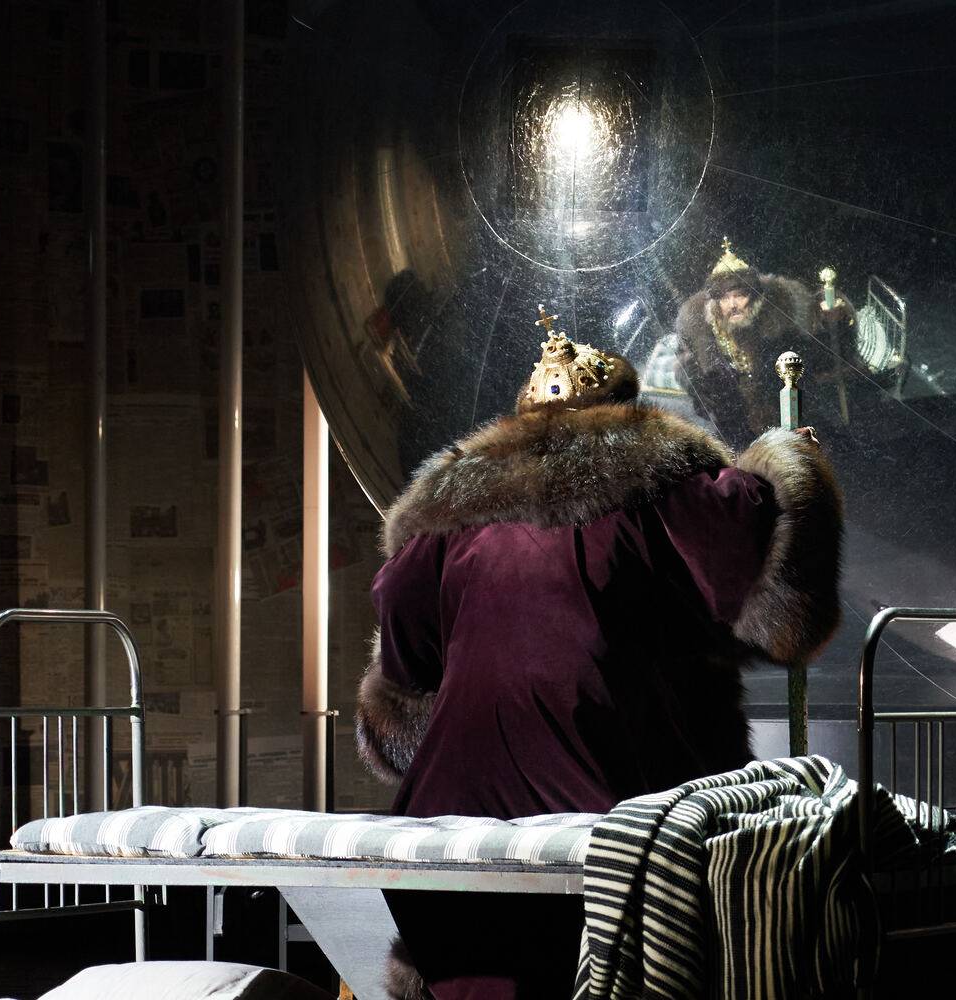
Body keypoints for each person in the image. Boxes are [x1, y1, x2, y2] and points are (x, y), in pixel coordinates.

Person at [357, 307, 845, 1000]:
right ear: (622, 409)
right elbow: (771, 588)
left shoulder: (448, 514)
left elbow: (401, 663)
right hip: (614, 796)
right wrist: (786, 461)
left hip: (450, 813)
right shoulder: (663, 482)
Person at [675, 237, 856, 438]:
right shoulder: (702, 332)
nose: (733, 305)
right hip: (735, 425)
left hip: (785, 418)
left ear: (755, 298)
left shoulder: (781, 325)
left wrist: (833, 319)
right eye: (725, 298)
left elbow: (820, 358)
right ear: (717, 304)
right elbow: (688, 370)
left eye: (739, 295)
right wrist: (702, 386)